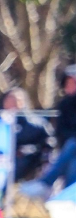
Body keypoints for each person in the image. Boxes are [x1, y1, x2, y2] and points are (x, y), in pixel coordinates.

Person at [21, 65, 76, 199]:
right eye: (68, 83)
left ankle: (46, 184)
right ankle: (68, 201)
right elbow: (61, 132)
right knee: (73, 159)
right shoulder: (64, 105)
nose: (70, 86)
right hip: (69, 151)